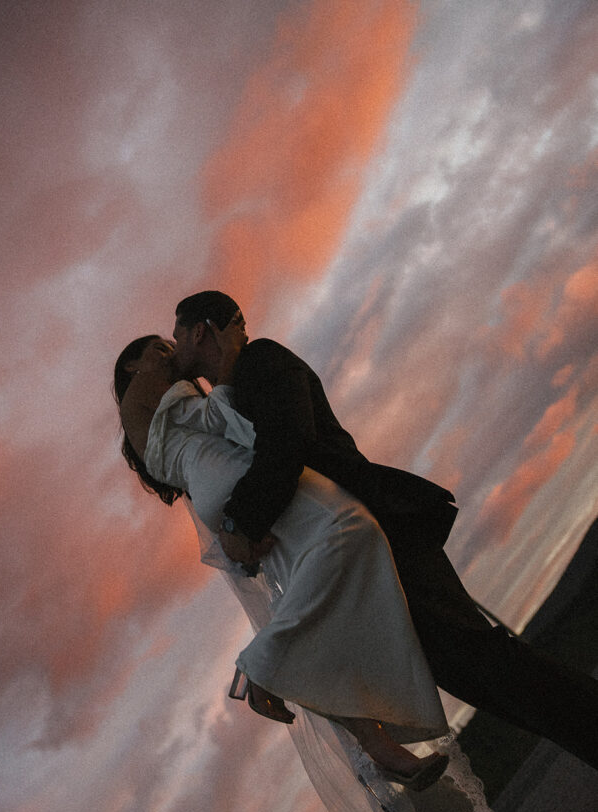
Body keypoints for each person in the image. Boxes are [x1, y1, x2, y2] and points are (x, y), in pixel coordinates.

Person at [113, 332, 553, 812]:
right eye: (156, 349)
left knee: (423, 654)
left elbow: (268, 450)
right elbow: (139, 396)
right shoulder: (162, 430)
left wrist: (190, 365)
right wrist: (173, 354)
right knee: (381, 769)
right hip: (303, 557)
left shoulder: (202, 412)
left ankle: (331, 713)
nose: (170, 349)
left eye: (173, 341)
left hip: (318, 537)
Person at [170, 290, 598, 771]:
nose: (173, 349)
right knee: (485, 674)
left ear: (200, 330)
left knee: (489, 666)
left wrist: (238, 523)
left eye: (176, 336)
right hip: (367, 551)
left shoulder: (261, 361)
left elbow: (286, 444)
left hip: (384, 534)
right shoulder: (235, 397)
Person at [115, 331, 450, 789]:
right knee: (353, 528)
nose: (170, 354)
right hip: (230, 477)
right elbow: (215, 416)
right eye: (159, 348)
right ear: (132, 366)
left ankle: (383, 751)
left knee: (322, 621)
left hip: (215, 488)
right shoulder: (149, 391)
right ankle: (262, 666)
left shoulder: (144, 425)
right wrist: (227, 362)